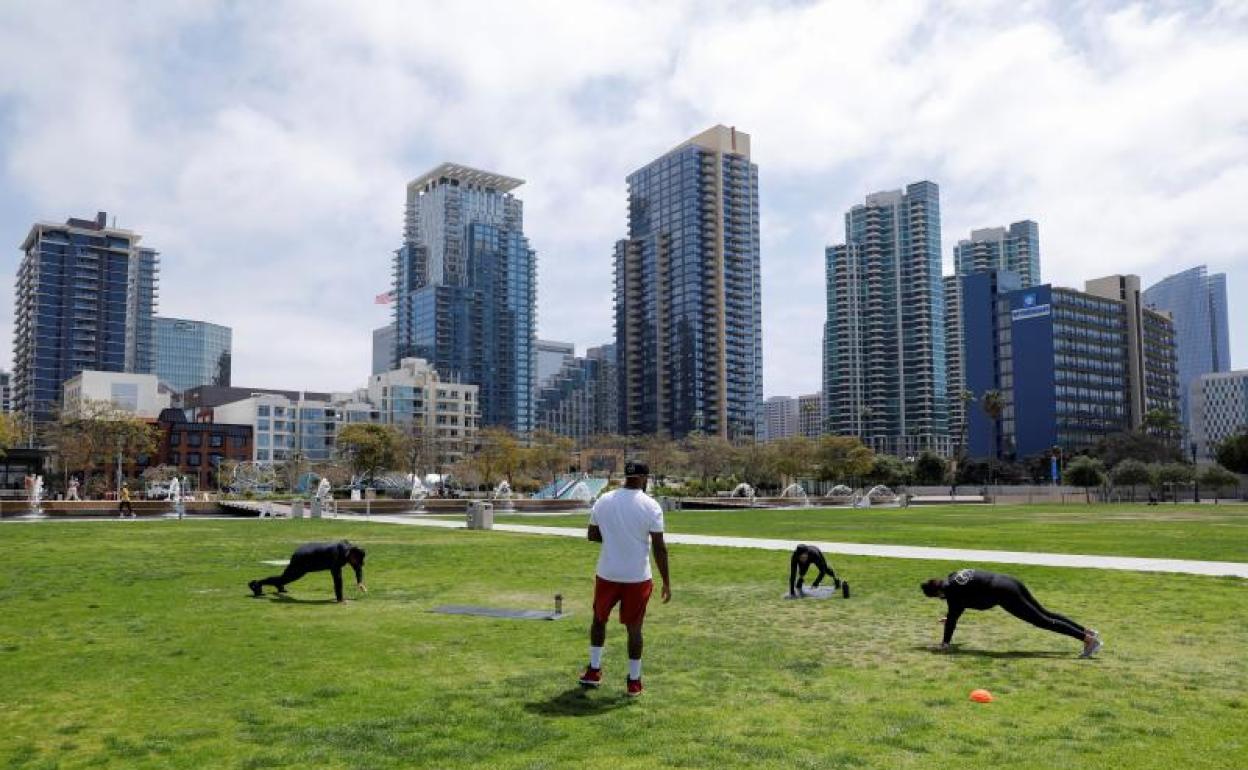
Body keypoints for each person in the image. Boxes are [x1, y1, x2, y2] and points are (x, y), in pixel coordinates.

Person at [579, 461, 670, 697]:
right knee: (634, 629)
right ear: (644, 478)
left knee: (599, 620)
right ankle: (634, 681)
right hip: (637, 576)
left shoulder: (604, 499)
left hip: (607, 573)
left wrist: (614, 539)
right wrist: (667, 582)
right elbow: (659, 547)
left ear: (626, 476)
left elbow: (592, 534)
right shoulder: (651, 505)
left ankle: (594, 671)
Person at [920, 568, 1101, 657]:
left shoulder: (951, 592)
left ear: (938, 593)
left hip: (1003, 592)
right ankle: (1087, 631)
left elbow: (954, 614)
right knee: (1045, 613)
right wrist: (950, 617)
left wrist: (945, 644)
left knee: (1041, 621)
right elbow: (959, 606)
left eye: (938, 597)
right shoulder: (952, 577)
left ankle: (1088, 640)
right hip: (1009, 581)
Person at [249, 541, 367, 602]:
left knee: (285, 578)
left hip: (308, 551)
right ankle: (257, 584)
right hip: (304, 558)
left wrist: (360, 582)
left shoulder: (349, 551)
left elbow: (357, 566)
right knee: (284, 578)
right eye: (356, 560)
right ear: (352, 555)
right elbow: (337, 578)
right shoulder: (336, 555)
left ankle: (279, 585)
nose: (355, 563)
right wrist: (340, 599)